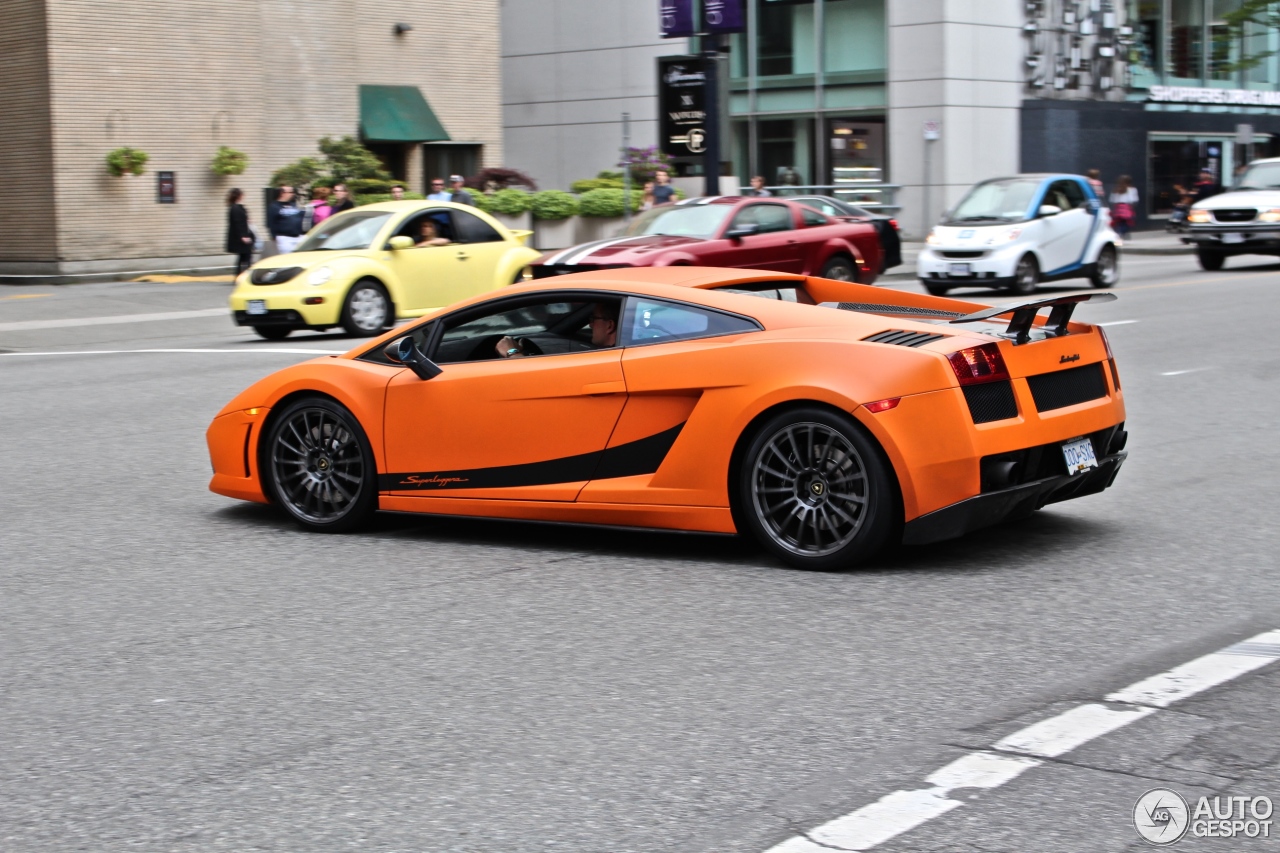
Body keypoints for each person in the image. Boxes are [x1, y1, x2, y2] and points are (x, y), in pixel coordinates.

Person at [496, 302, 617, 358]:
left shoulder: (603, 359)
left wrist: (512, 352)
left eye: (593, 319)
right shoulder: (616, 352)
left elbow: (536, 381)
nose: (590, 325)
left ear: (609, 326)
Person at [267, 185, 305, 253]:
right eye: (291, 192)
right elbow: (271, 222)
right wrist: (274, 236)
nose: (293, 194)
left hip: (298, 236)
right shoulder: (274, 206)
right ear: (282, 193)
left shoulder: (293, 205)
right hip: (285, 238)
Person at [224, 188, 253, 276]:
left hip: (243, 235)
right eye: (242, 194)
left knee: (243, 256)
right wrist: (243, 236)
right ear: (239, 196)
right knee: (246, 256)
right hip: (241, 237)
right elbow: (237, 223)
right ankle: (243, 275)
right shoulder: (235, 208)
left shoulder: (237, 207)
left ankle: (239, 275)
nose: (243, 196)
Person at [1109, 174, 1138, 244]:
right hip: (1126, 208)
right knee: (1128, 223)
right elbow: (1133, 200)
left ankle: (1119, 237)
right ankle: (1121, 235)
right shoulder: (1132, 189)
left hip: (1117, 208)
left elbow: (1111, 200)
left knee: (1119, 224)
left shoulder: (1115, 189)